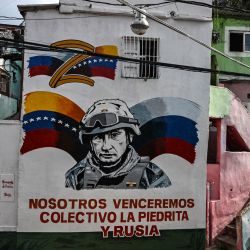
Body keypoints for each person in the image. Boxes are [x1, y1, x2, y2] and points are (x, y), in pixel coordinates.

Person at [65, 99, 171, 189]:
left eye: (115, 135)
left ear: (129, 137)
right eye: (98, 137)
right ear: (90, 142)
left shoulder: (151, 175)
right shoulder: (76, 176)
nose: (106, 147)